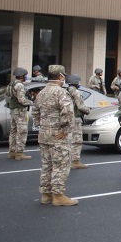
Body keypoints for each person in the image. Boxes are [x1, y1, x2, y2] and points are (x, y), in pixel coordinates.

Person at [33, 65, 77, 206]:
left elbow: (35, 111)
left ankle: (46, 194)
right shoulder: (61, 92)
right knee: (60, 165)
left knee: (47, 165)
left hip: (44, 134)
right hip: (58, 136)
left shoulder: (42, 92)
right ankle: (58, 195)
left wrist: (41, 125)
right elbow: (68, 112)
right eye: (63, 76)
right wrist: (65, 129)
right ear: (60, 76)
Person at [5, 67, 33, 160]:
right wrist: (31, 102)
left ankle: (12, 152)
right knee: (22, 131)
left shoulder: (11, 84)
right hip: (20, 111)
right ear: (21, 76)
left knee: (13, 131)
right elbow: (21, 100)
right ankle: (19, 153)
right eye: (25, 75)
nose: (26, 77)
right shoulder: (20, 85)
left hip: (13, 110)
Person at [66, 74, 91, 169]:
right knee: (77, 140)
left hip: (67, 118)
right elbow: (80, 106)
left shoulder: (66, 91)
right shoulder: (76, 92)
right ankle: (75, 161)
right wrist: (88, 110)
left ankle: (68, 160)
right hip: (75, 119)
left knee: (69, 139)